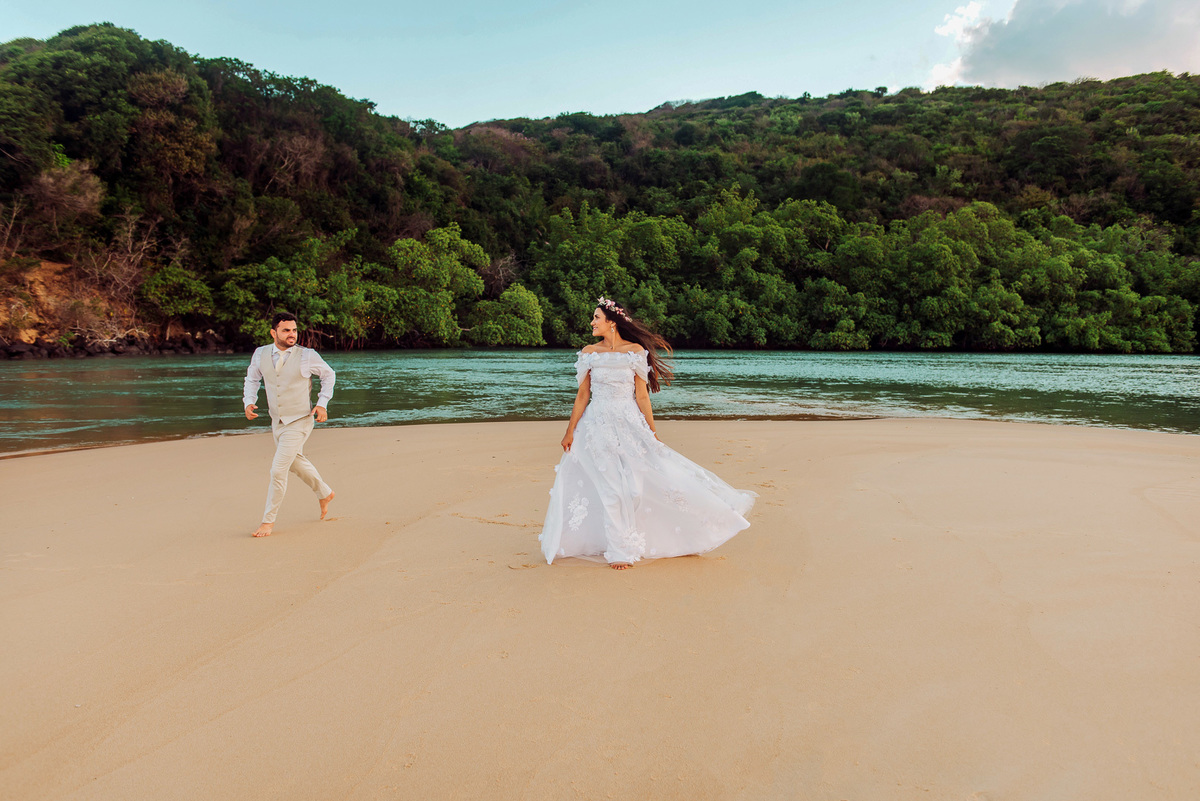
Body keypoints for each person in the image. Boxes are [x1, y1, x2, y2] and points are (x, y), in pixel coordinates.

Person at [540, 297, 755, 568]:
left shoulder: (635, 352)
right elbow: (583, 395)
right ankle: (619, 551)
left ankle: (677, 528)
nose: (592, 322)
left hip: (630, 424)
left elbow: (642, 397)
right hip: (597, 426)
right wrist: (569, 431)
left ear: (612, 323)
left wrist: (651, 432)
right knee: (610, 489)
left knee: (634, 489)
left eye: (596, 317)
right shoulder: (589, 352)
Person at [242, 311, 336, 537]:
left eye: (294, 330)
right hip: (278, 421)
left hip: (301, 420)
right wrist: (249, 401)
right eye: (286, 330)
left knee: (278, 469)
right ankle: (324, 492)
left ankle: (268, 521)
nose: (292, 334)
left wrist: (322, 403)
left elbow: (329, 375)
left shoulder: (307, 355)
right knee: (294, 462)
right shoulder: (260, 353)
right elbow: (252, 379)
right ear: (274, 332)